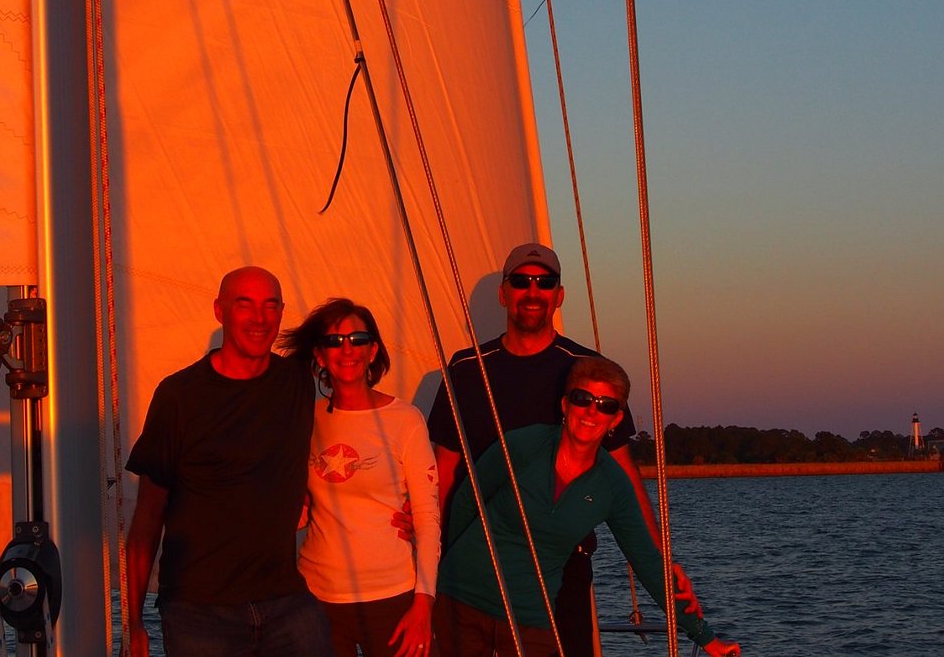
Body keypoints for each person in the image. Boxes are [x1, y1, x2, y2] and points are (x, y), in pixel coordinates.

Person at [425, 243, 699, 657]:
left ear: (559, 295)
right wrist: (435, 564)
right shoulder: (466, 370)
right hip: (474, 571)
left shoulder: (587, 373)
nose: (532, 291)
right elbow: (445, 474)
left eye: (544, 282)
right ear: (504, 293)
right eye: (521, 282)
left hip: (561, 566)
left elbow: (622, 474)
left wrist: (662, 562)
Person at [434, 357, 740, 657]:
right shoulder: (522, 445)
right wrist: (445, 573)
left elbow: (647, 563)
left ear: (616, 419)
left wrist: (707, 638)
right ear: (565, 405)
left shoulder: (611, 485)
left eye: (606, 404)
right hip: (460, 602)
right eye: (583, 399)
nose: (592, 411)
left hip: (530, 618)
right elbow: (465, 503)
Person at [121, 266, 331, 657]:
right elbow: (148, 515)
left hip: (286, 601)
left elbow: (357, 407)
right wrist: (133, 624)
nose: (260, 318)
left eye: (271, 306)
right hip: (199, 612)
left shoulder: (298, 383)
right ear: (220, 311)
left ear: (282, 312)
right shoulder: (180, 396)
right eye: (245, 305)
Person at [280, 298, 440, 657]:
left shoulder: (405, 420)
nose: (346, 349)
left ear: (373, 351)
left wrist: (424, 605)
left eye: (358, 339)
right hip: (315, 597)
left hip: (393, 597)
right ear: (319, 356)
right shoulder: (305, 418)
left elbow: (428, 521)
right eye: (334, 342)